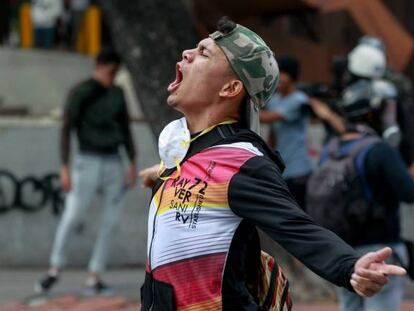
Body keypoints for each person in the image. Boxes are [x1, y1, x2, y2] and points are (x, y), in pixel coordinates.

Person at [138, 17, 406, 310]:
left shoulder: (241, 162)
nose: (186, 54)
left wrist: (350, 266)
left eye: (204, 53)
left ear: (230, 88)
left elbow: (296, 227)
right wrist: (163, 172)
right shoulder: (182, 151)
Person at [35, 49, 137, 294]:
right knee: (73, 214)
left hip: (114, 161)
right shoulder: (81, 92)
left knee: (110, 221)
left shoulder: (117, 93)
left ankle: (95, 275)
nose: (112, 77)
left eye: (116, 73)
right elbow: (66, 128)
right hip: (87, 160)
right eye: (110, 71)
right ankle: (54, 269)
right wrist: (64, 166)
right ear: (100, 66)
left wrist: (132, 162)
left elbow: (125, 128)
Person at [314, 79, 414, 311]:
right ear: (372, 113)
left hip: (342, 252)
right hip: (380, 252)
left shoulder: (331, 148)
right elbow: (408, 193)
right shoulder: (379, 150)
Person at [259, 56, 312, 210]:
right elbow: (273, 133)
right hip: (282, 169)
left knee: (298, 213)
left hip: (298, 169)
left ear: (292, 77)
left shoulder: (299, 100)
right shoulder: (275, 100)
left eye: (283, 74)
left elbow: (270, 118)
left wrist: (245, 108)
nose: (279, 79)